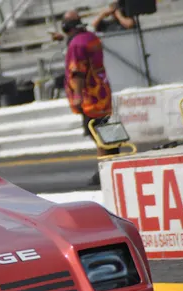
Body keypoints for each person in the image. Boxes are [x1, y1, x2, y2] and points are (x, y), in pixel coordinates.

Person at [61, 10, 118, 185]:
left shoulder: (76, 45)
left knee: (96, 132)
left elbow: (78, 71)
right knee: (103, 130)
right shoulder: (90, 38)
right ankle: (111, 164)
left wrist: (77, 95)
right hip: (102, 92)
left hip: (90, 96)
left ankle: (105, 170)